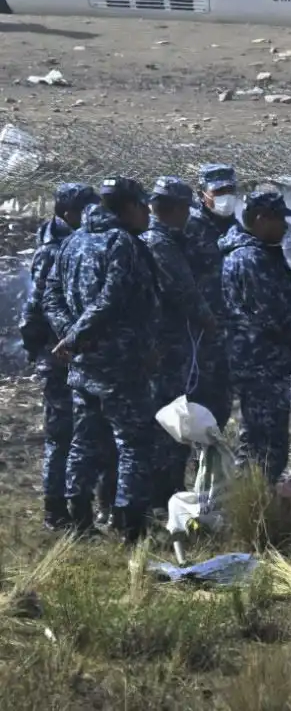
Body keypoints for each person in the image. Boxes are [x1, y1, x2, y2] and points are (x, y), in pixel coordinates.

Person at [52, 176, 160, 541]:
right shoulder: (122, 243)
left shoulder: (72, 241)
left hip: (83, 366)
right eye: (144, 206)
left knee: (84, 441)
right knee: (133, 443)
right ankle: (132, 529)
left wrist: (71, 336)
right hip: (121, 366)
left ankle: (79, 520)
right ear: (128, 208)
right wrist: (75, 336)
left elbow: (49, 296)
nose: (148, 213)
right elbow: (111, 298)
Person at [16, 182, 99, 530]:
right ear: (68, 214)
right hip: (58, 355)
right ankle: (56, 511)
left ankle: (72, 504)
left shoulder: (73, 242)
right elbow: (40, 307)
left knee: (77, 432)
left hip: (67, 352)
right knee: (62, 434)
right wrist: (49, 348)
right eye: (86, 210)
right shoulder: (53, 250)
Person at [221, 190, 291, 481]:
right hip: (261, 361)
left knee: (255, 432)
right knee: (268, 438)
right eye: (279, 219)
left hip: (258, 359)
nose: (285, 227)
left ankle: (250, 493)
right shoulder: (252, 259)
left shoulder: (255, 253)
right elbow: (272, 314)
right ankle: (257, 499)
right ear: (261, 219)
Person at [143, 177, 209, 506]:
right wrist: (208, 322)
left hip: (151, 344)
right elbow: (183, 291)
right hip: (165, 345)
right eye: (185, 210)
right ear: (175, 208)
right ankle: (161, 496)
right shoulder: (159, 242)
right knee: (169, 419)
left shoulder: (147, 236)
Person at [183, 162, 237, 429]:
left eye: (230, 189)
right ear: (202, 194)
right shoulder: (189, 228)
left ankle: (211, 458)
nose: (226, 197)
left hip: (230, 326)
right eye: (218, 192)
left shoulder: (237, 226)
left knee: (223, 397)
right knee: (197, 396)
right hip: (199, 328)